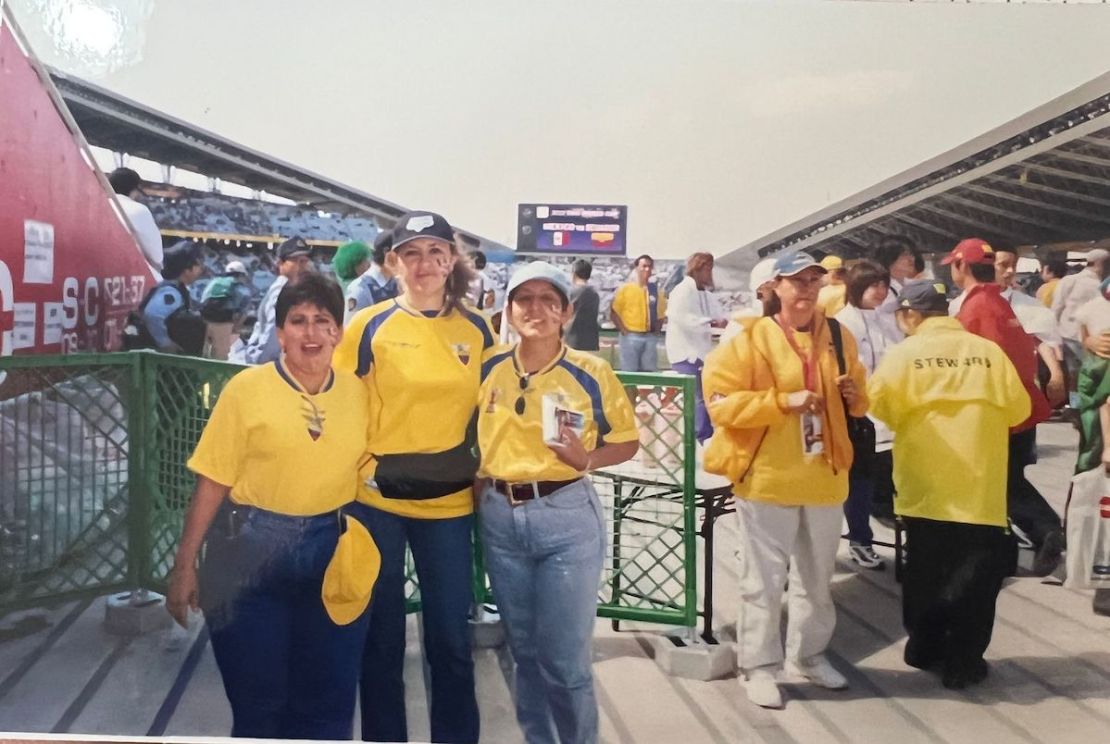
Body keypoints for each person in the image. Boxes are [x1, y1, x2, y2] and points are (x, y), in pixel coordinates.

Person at [166, 273, 375, 738]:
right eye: (297, 321)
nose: (311, 333)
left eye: (323, 321)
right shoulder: (246, 390)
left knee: (329, 704)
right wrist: (184, 566)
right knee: (259, 707)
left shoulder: (359, 394)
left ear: (339, 332)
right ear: (279, 333)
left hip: (332, 552)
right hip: (248, 554)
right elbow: (212, 481)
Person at [333, 210, 492, 744]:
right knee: (379, 643)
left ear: (452, 260)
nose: (424, 264)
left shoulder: (480, 329)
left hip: (447, 506)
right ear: (394, 262)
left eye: (435, 252)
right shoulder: (367, 325)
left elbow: (491, 415)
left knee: (450, 642)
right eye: (412, 253)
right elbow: (339, 405)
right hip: (375, 503)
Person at [476, 261, 639, 744]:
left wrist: (586, 457)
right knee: (524, 651)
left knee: (565, 660)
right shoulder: (488, 368)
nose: (536, 310)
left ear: (566, 312)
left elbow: (627, 443)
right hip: (500, 516)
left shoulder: (592, 371)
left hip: (564, 515)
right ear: (508, 309)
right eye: (524, 299)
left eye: (549, 300)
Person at [703, 251, 869, 709]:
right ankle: (757, 666)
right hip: (767, 479)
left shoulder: (838, 334)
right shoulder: (748, 340)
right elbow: (720, 405)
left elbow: (858, 397)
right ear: (775, 287)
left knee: (817, 582)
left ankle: (810, 656)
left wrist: (856, 397)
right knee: (763, 582)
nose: (808, 289)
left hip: (825, 477)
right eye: (798, 281)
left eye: (815, 280)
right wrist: (781, 402)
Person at [867, 280, 1030, 690]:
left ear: (910, 316)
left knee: (925, 573)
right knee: (976, 580)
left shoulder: (903, 355)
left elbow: (879, 406)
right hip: (980, 491)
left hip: (924, 491)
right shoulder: (988, 353)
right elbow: (1019, 409)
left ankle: (922, 647)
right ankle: (963, 663)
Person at [943, 238, 1062, 576]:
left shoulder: (977, 307)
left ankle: (1044, 531)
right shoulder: (999, 303)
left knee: (998, 482)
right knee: (1005, 480)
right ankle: (1026, 540)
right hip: (1016, 408)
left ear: (961, 266)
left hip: (995, 413)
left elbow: (983, 362)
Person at [832, 260, 899, 569]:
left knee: (883, 480)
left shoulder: (889, 320)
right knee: (858, 481)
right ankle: (860, 540)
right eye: (874, 284)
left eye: (884, 284)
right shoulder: (842, 322)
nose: (881, 290)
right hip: (858, 414)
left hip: (890, 413)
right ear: (857, 286)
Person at [665, 252, 727, 443]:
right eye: (708, 269)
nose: (710, 273)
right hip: (687, 353)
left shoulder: (706, 294)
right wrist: (710, 322)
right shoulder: (682, 291)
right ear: (699, 268)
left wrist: (720, 321)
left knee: (706, 396)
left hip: (703, 352)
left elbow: (717, 316)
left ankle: (704, 436)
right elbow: (683, 318)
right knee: (698, 398)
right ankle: (699, 437)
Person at [242, 237, 314, 364]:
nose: (303, 266)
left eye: (305, 261)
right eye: (297, 261)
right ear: (280, 263)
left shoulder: (296, 289)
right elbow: (272, 336)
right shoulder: (282, 292)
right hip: (274, 366)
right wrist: (259, 361)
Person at [130, 240, 206, 355]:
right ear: (187, 269)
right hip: (154, 354)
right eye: (198, 265)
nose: (201, 269)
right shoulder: (171, 292)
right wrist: (165, 344)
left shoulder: (175, 288)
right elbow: (152, 315)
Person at [1054, 247, 1110, 394]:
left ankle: (1074, 407)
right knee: (1094, 374)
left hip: (1066, 334)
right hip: (1092, 339)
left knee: (1073, 375)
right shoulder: (1102, 286)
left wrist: (1054, 337)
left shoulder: (1068, 280)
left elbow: (1056, 308)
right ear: (1102, 263)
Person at [610, 254, 667, 371]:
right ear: (636, 268)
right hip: (630, 336)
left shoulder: (656, 291)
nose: (647, 269)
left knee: (650, 371)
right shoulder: (625, 289)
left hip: (649, 337)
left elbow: (661, 315)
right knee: (629, 371)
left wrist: (656, 332)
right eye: (644, 266)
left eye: (649, 267)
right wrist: (624, 331)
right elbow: (614, 312)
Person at [108, 167, 164, 277]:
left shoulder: (96, 207)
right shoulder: (140, 210)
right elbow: (157, 256)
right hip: (128, 276)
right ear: (134, 190)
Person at [200, 260, 254, 360]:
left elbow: (202, 301)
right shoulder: (242, 289)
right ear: (241, 275)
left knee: (205, 355)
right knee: (221, 357)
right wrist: (235, 328)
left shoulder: (213, 283)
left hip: (203, 321)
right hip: (224, 323)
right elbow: (242, 313)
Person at [345, 230, 400, 325]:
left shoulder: (398, 283)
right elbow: (350, 331)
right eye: (401, 253)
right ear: (387, 253)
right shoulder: (360, 289)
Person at [873, 235, 921, 340]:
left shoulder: (914, 285)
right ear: (889, 258)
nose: (911, 259)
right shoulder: (882, 291)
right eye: (904, 255)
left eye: (912, 254)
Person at [565, 259, 601, 352]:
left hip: (571, 340)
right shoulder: (594, 293)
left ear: (574, 273)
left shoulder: (571, 292)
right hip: (591, 341)